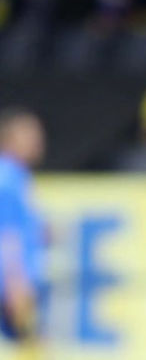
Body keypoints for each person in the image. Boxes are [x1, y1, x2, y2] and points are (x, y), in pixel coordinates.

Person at [0, 107, 47, 342]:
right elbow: (6, 235)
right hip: (11, 287)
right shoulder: (6, 178)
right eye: (29, 134)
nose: (38, 140)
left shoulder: (17, 176)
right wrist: (15, 284)